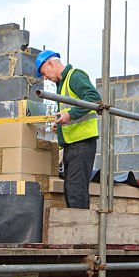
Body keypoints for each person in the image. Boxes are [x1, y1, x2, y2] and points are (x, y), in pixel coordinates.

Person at [35, 50, 101, 209]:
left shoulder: (75, 76)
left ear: (50, 63)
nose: (45, 78)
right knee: (72, 189)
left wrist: (70, 115)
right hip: (72, 144)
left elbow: (93, 98)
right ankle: (80, 228)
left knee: (75, 190)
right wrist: (61, 124)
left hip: (82, 143)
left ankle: (80, 230)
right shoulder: (62, 85)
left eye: (44, 73)